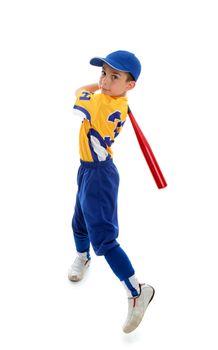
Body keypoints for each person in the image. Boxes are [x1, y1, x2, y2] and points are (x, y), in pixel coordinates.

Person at [68, 50, 155, 333]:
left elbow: (80, 90)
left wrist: (97, 88)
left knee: (104, 239)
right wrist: (111, 88)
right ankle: (83, 257)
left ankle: (136, 291)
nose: (105, 81)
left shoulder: (101, 105)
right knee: (79, 221)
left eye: (114, 76)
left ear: (130, 85)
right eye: (103, 73)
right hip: (88, 169)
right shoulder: (118, 102)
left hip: (99, 176)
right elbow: (98, 91)